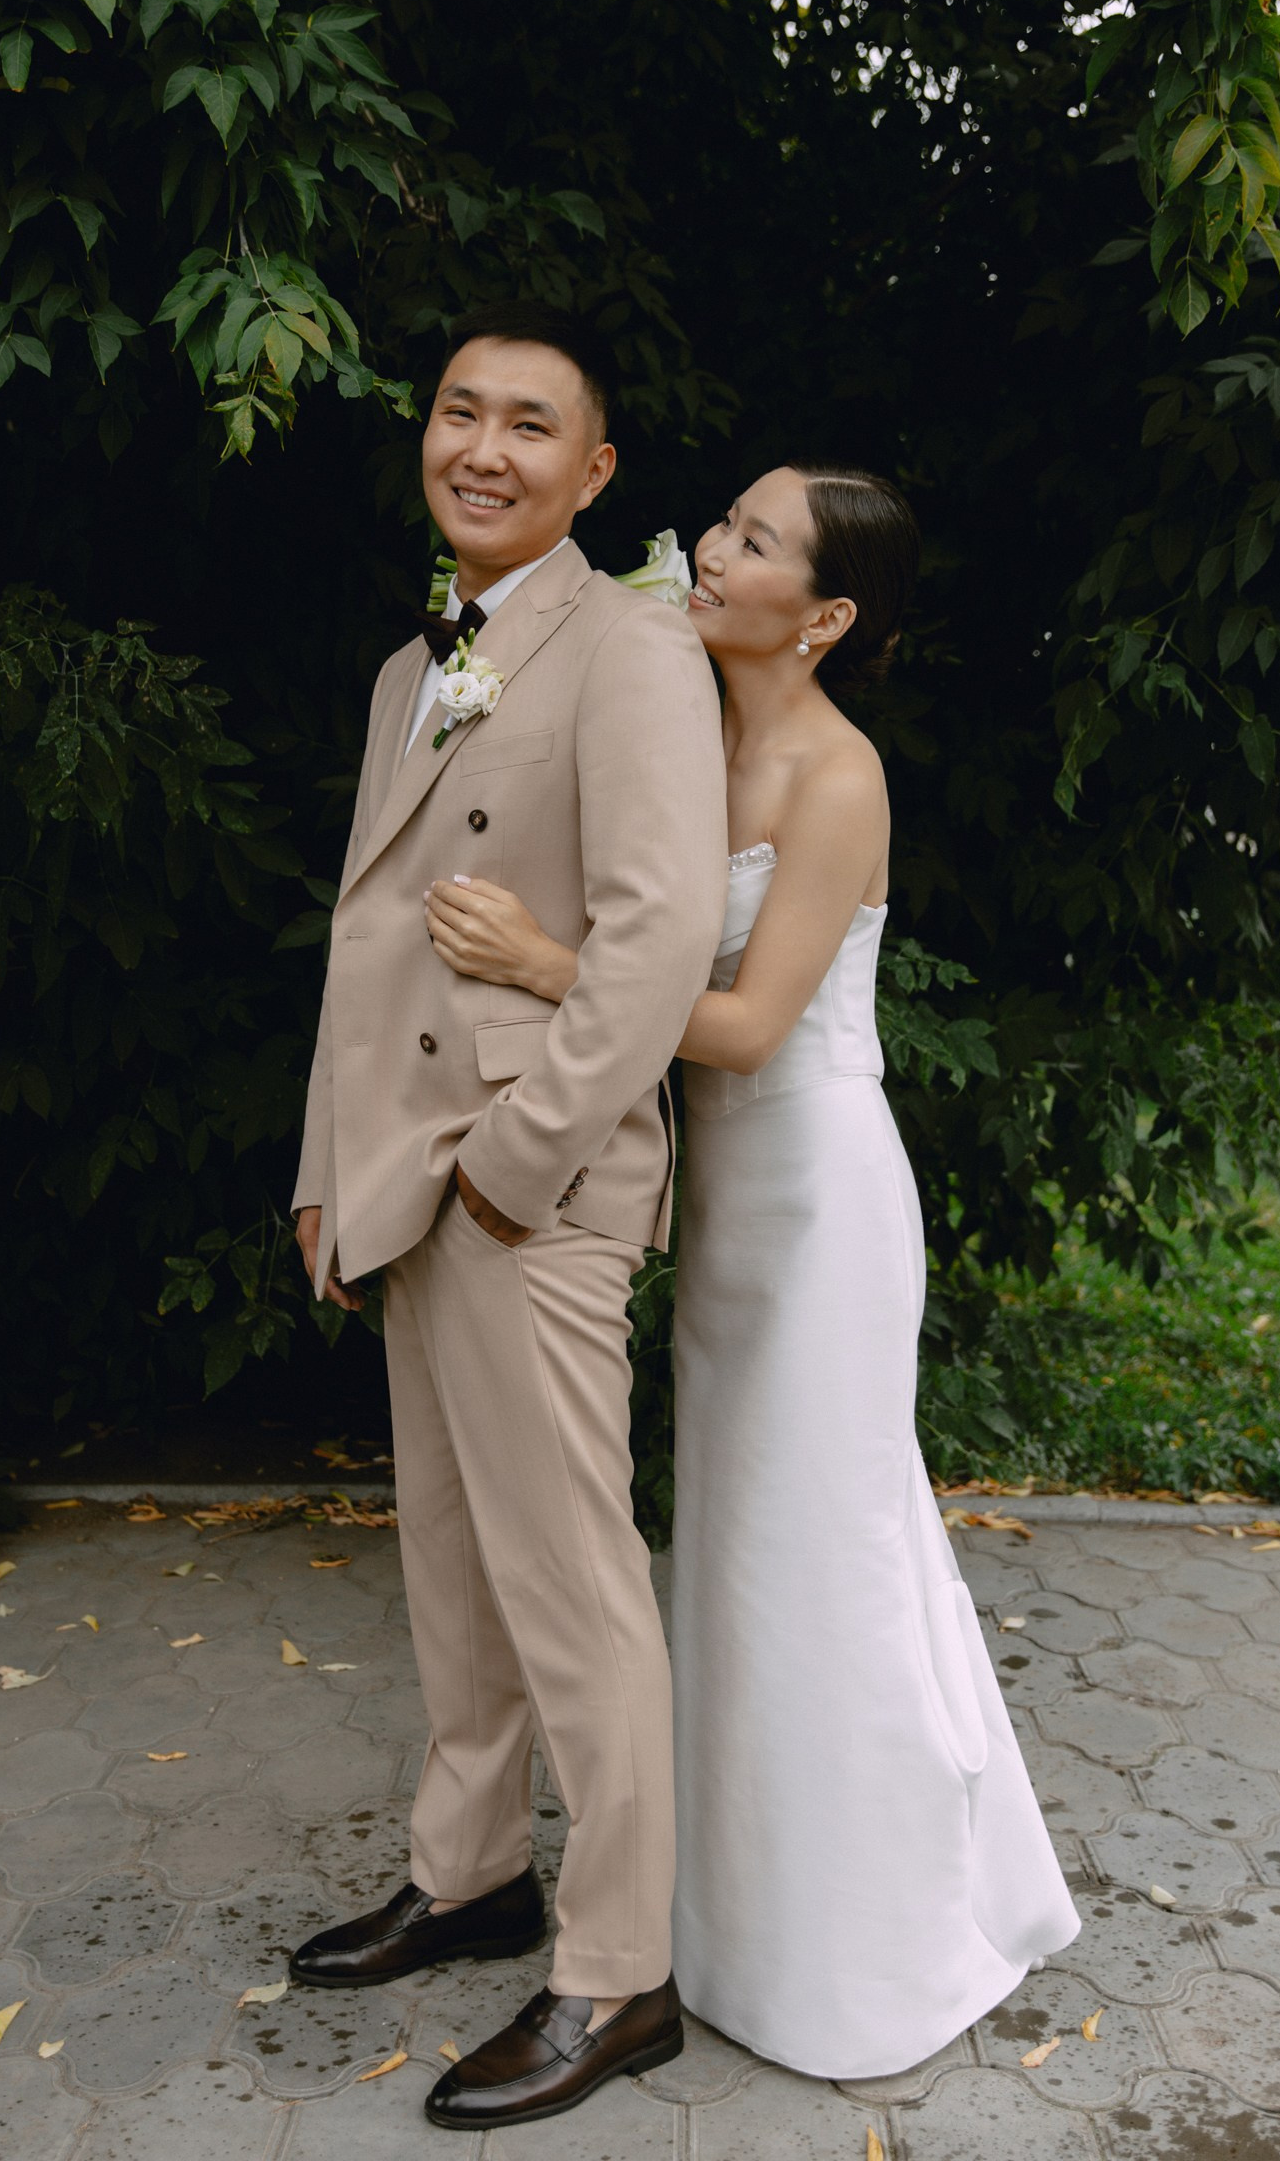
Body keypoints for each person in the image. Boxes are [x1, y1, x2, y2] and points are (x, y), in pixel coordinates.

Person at [423, 461, 1082, 2079]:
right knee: (732, 1557)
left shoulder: (835, 774)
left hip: (820, 1204)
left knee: (820, 1552)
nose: (711, 552)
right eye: (724, 524)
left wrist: (549, 966)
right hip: (722, 1207)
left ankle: (864, 1947)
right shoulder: (690, 733)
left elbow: (741, 1024)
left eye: (757, 543)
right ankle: (722, 1924)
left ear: (828, 614)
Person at [287, 300, 728, 2129]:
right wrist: (331, 1168)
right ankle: (469, 1876)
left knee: (571, 1586)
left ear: (593, 470)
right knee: (453, 1562)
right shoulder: (417, 665)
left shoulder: (633, 649)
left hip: (526, 1185)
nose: (483, 447)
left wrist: (510, 1166)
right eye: (459, 411)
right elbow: (365, 939)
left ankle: (620, 1974)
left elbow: (655, 940)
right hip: (408, 1175)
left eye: (529, 424)